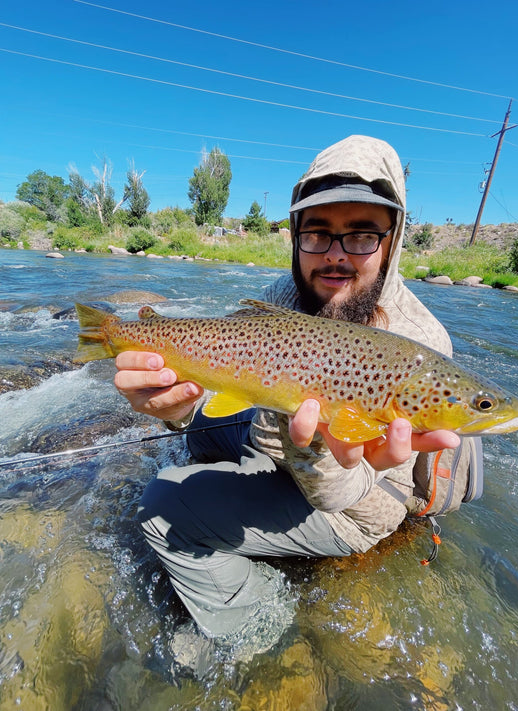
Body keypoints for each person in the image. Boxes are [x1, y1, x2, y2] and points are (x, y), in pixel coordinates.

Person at [114, 135, 464, 644]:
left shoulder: (420, 344)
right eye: (318, 234)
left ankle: (256, 628)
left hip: (355, 501)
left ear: (393, 239)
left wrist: (322, 446)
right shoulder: (292, 289)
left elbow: (336, 492)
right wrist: (175, 407)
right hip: (277, 443)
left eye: (362, 235)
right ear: (297, 235)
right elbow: (227, 363)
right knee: (199, 437)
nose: (336, 257)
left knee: (160, 509)